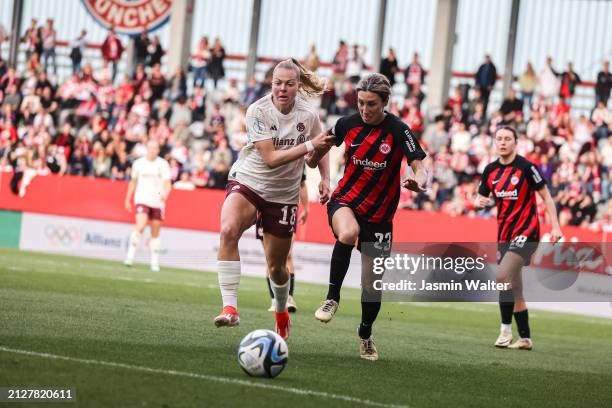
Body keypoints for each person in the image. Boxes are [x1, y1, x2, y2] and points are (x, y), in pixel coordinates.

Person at [213, 58, 334, 340]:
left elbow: (322, 146)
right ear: (271, 84)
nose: (282, 88)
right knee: (228, 230)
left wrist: (325, 178)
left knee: (277, 266)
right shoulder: (257, 110)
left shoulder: (308, 115)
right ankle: (230, 307)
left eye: (289, 84)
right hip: (249, 181)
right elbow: (269, 159)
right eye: (277, 83)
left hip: (284, 195)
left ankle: (280, 311)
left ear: (298, 86)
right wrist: (309, 146)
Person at [311, 73, 428, 360]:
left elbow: (420, 164)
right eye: (361, 103)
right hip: (345, 201)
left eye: (371, 104)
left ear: (385, 102)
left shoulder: (399, 130)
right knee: (347, 233)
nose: (364, 109)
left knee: (371, 284)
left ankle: (365, 333)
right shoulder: (346, 124)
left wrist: (419, 180)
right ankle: (332, 298)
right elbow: (316, 155)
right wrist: (316, 160)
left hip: (379, 217)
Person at [474, 126, 562, 351]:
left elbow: (547, 198)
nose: (502, 142)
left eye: (507, 139)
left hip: (527, 231)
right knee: (515, 288)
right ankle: (525, 338)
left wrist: (556, 226)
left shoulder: (526, 167)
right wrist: (479, 202)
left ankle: (505, 331)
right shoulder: (490, 170)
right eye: (499, 139)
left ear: (515, 142)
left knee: (502, 275)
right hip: (505, 234)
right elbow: (481, 198)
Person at [260, 171, 309, 313]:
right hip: (265, 208)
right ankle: (274, 300)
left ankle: (289, 298)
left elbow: (302, 182)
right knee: (270, 258)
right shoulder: (263, 152)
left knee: (287, 255)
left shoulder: (296, 153)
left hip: (287, 208)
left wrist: (306, 208)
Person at [124, 139, 172, 272]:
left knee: (155, 233)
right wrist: (127, 199)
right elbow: (133, 182)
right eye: (150, 147)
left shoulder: (163, 164)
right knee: (140, 225)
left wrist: (165, 194)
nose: (153, 150)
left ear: (158, 149)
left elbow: (168, 184)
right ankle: (130, 255)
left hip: (157, 202)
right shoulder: (138, 164)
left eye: (155, 148)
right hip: (142, 199)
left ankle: (154, 262)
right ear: (147, 148)